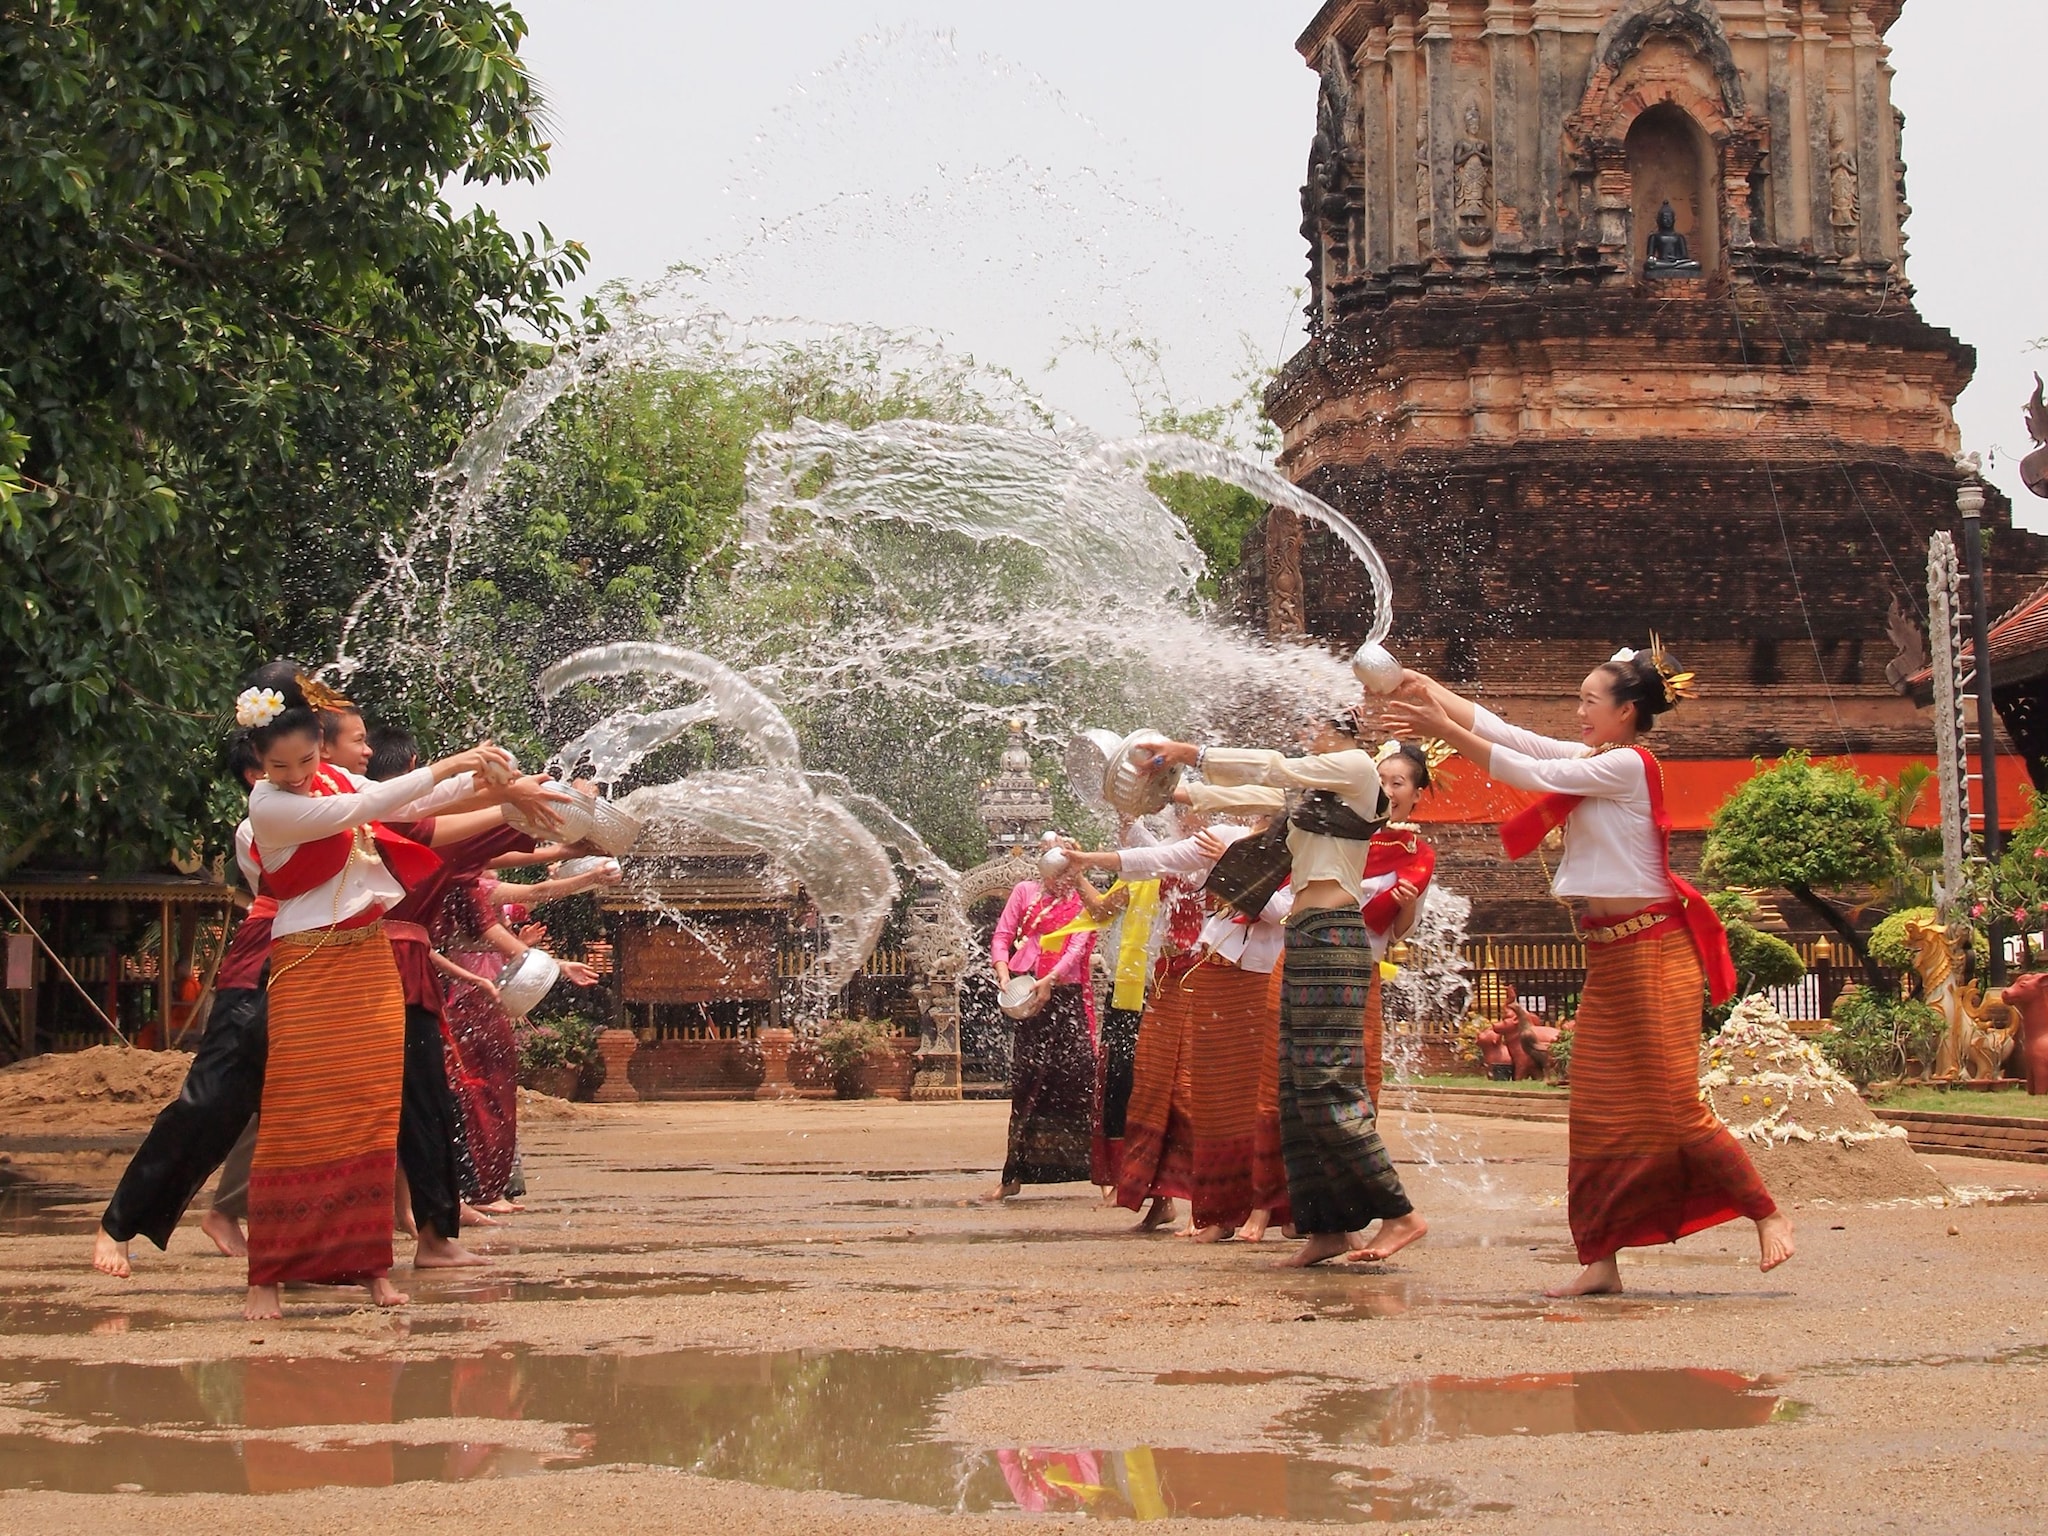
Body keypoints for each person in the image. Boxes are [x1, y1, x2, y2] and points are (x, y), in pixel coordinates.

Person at [1382, 643, 1794, 1296]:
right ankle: (1600, 1258)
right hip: (1610, 955)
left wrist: (1441, 731)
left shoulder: (1630, 766)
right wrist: (1436, 693)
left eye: (1588, 702)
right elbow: (1509, 734)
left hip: (1657, 953)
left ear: (1626, 712)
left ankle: (1765, 1212)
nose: (1577, 712)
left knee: (1674, 1107)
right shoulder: (1597, 761)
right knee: (1596, 1112)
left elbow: (1522, 768)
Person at [236, 670, 509, 1319]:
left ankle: (369, 1267)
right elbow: (365, 808)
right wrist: (460, 764)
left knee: (371, 1113)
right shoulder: (269, 806)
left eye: (307, 759)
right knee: (297, 1115)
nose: (299, 773)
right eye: (281, 764)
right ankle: (265, 1276)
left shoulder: (330, 777)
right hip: (308, 965)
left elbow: (404, 804)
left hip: (368, 960)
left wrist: (495, 782)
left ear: (319, 751)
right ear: (258, 764)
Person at [1147, 710, 1427, 1267]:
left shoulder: (1354, 769)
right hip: (1303, 936)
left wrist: (1190, 751)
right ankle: (1326, 1227)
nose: (1304, 743)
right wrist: (1171, 791)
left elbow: (1275, 768)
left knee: (1324, 1085)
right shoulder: (1316, 799)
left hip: (1336, 938)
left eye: (1311, 734)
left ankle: (1400, 1213)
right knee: (1296, 1090)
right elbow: (1252, 792)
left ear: (1339, 736)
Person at [1067, 817, 1294, 1241]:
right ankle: (1167, 1198)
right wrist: (1086, 858)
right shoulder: (1200, 844)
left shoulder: (1266, 849)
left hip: (1221, 972)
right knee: (1155, 1089)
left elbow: (1279, 912)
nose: (1190, 814)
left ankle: (1227, 1207)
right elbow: (1148, 855)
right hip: (1170, 975)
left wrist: (1227, 863)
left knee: (1203, 1092)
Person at [986, 859, 1099, 1199]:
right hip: (1029, 991)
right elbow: (1003, 934)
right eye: (1054, 874)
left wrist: (1051, 979)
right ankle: (1013, 1176)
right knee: (1027, 1083)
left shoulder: (1085, 899)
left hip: (1066, 994)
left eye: (1066, 873)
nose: (1059, 880)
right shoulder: (1025, 892)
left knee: (1080, 1080)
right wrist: (1003, 972)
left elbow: (1078, 947)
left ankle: (1104, 1178)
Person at [1356, 742, 1441, 1108]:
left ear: (1416, 794)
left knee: (1361, 1067)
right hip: (1313, 955)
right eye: (1381, 782)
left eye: (1398, 783)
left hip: (1362, 964)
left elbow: (1400, 932)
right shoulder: (1345, 836)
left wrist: (1403, 905)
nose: (1388, 792)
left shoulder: (1417, 856)